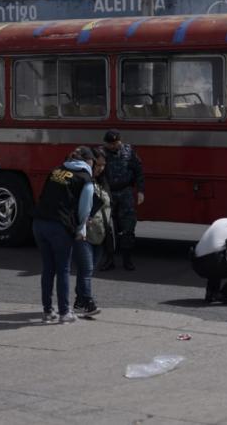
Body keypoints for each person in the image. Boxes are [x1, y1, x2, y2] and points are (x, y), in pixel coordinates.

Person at [33, 146, 95, 324]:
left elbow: (44, 195)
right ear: (88, 161)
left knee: (48, 268)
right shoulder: (85, 179)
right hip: (59, 226)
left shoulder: (56, 170)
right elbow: (85, 209)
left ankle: (47, 311)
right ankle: (64, 312)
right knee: (63, 269)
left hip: (39, 222)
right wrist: (80, 229)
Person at [73, 147, 112, 318]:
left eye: (104, 165)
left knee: (86, 270)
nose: (100, 168)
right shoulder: (81, 179)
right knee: (87, 269)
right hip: (84, 232)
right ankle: (88, 302)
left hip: (101, 233)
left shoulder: (103, 182)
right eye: (98, 164)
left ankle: (79, 300)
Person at [98, 129, 145, 271]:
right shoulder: (100, 153)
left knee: (128, 227)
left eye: (115, 143)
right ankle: (109, 259)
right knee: (107, 228)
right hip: (108, 193)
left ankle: (127, 259)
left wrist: (141, 191)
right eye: (109, 144)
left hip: (126, 192)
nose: (112, 146)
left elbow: (138, 171)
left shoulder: (129, 151)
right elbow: (96, 171)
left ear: (120, 141)